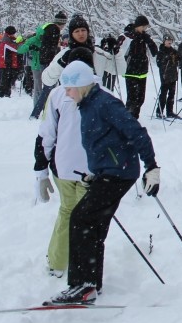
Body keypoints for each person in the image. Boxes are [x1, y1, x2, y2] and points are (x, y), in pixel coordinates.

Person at [45, 61, 160, 305]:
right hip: (109, 172)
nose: (66, 93)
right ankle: (91, 284)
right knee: (93, 224)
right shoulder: (86, 104)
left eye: (69, 88)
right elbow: (102, 143)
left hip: (120, 173)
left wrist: (152, 167)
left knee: (81, 219)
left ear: (82, 86)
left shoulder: (104, 103)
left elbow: (136, 132)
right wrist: (95, 173)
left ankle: (82, 285)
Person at [33, 48, 96, 277]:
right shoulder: (96, 93)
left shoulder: (59, 94)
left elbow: (45, 134)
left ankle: (59, 262)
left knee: (68, 211)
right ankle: (79, 265)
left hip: (69, 166)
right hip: (83, 168)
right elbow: (47, 133)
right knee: (84, 216)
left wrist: (41, 166)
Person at [118, 15, 158, 119]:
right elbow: (119, 46)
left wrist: (149, 41)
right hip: (131, 70)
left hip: (142, 70)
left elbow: (154, 51)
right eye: (144, 27)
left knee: (141, 98)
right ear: (138, 25)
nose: (145, 29)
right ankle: (128, 118)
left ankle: (135, 117)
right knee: (132, 98)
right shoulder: (128, 36)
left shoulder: (144, 36)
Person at [155, 34, 180, 118]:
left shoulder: (173, 51)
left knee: (172, 94)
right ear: (164, 41)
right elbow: (159, 63)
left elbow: (178, 60)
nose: (169, 42)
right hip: (165, 75)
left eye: (170, 40)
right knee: (163, 94)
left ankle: (170, 111)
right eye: (167, 40)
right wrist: (166, 59)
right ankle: (159, 111)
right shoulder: (161, 51)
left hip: (173, 75)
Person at [0, 26, 21, 98]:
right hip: (5, 62)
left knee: (8, 78)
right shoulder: (6, 41)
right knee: (5, 79)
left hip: (8, 62)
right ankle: (1, 93)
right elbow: (15, 48)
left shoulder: (8, 39)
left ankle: (6, 93)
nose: (14, 35)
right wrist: (19, 43)